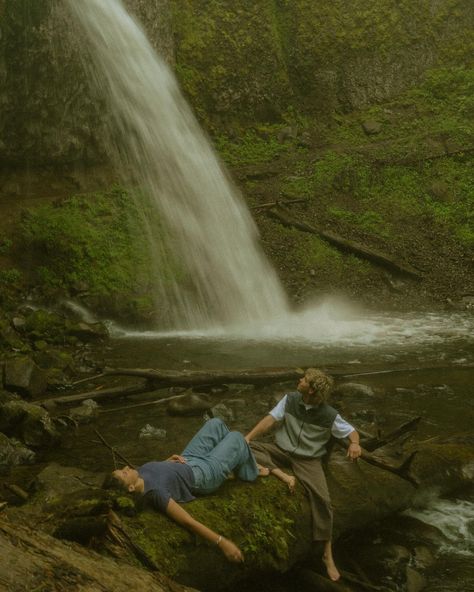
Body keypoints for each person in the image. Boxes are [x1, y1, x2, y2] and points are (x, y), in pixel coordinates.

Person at [245, 368, 361, 582]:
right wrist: (248, 437)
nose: (299, 380)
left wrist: (355, 443)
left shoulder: (329, 415)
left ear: (312, 390)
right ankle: (278, 473)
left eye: (304, 380)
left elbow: (351, 430)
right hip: (280, 450)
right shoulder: (290, 400)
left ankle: (327, 553)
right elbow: (270, 420)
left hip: (308, 460)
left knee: (323, 500)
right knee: (247, 447)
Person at [108, 417, 261, 563]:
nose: (126, 467)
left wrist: (167, 461)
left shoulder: (139, 473)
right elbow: (189, 522)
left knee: (216, 423)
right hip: (202, 474)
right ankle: (251, 471)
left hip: (187, 458)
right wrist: (222, 542)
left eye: (122, 469)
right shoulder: (155, 494)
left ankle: (235, 459)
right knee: (237, 437)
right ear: (131, 487)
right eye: (124, 473)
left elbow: (156, 471)